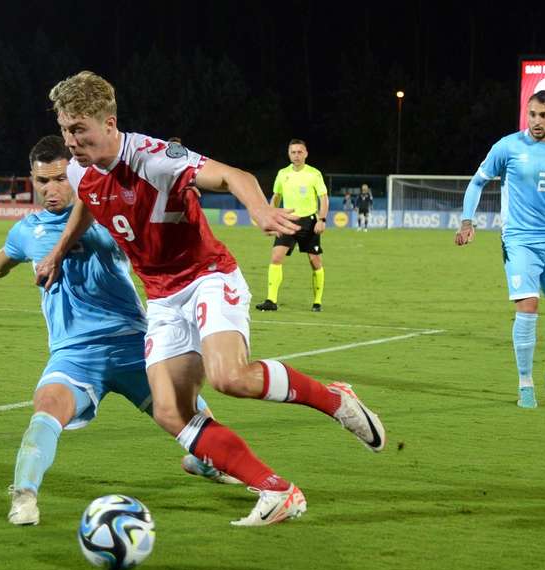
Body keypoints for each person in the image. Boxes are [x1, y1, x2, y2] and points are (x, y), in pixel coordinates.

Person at [36, 71, 386, 527]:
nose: (71, 140)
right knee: (169, 412)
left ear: (109, 123)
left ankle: (335, 400)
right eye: (65, 129)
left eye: (78, 129)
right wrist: (59, 252)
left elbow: (231, 175)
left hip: (207, 276)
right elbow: (87, 196)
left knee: (229, 377)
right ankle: (277, 491)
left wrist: (259, 209)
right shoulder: (81, 167)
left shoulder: (154, 157)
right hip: (162, 299)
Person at [0, 136, 234, 526]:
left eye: (60, 179)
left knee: (190, 418)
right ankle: (24, 496)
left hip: (133, 343)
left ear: (75, 175)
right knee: (48, 407)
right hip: (74, 352)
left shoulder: (107, 214)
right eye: (42, 182)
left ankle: (220, 466)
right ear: (32, 181)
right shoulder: (28, 231)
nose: (51, 190)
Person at [456, 89, 545, 409]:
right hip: (519, 239)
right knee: (527, 307)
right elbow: (477, 182)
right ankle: (525, 383)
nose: (537, 121)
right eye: (532, 114)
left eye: (543, 115)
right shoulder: (508, 146)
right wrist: (466, 222)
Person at [255, 139, 329, 312]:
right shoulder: (282, 174)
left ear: (306, 154)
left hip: (309, 222)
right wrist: (270, 217)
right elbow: (276, 197)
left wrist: (322, 219)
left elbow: (323, 198)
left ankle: (317, 302)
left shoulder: (314, 174)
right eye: (293, 152)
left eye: (299, 152)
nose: (296, 155)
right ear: (289, 154)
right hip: (287, 221)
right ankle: (271, 300)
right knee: (276, 257)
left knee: (315, 260)